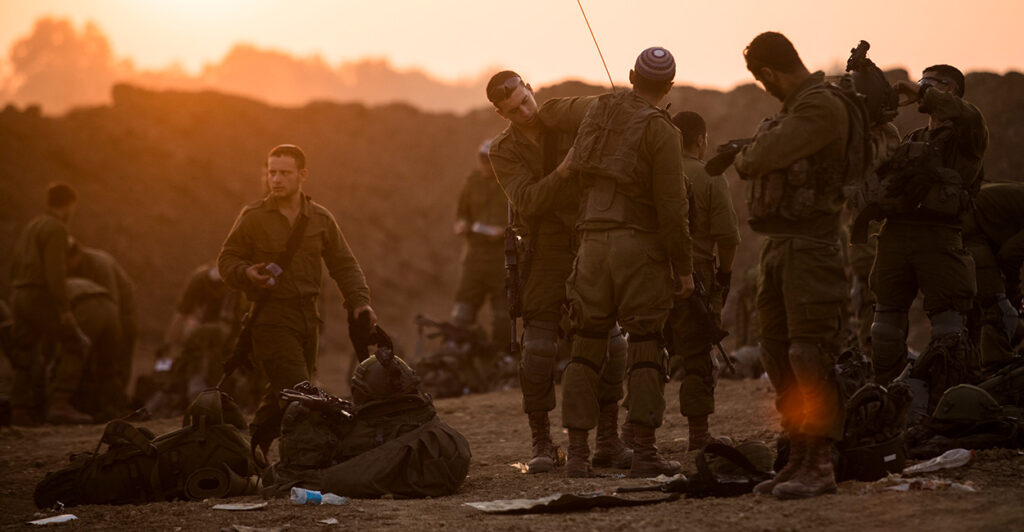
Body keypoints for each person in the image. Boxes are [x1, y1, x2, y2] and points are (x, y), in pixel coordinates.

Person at [545, 46, 694, 478]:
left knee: (585, 347)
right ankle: (644, 452)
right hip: (639, 250)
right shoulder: (662, 131)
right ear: (669, 87)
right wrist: (682, 269)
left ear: (630, 75)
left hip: (590, 247)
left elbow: (555, 115)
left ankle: (577, 455)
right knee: (646, 346)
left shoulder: (596, 113)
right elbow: (672, 207)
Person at [487, 70, 631, 474]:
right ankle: (542, 442)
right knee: (538, 350)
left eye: (526, 100)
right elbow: (528, 201)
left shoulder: (561, 117)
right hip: (544, 247)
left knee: (612, 344)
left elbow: (601, 110)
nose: (526, 111)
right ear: (501, 113)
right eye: (514, 110)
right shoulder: (504, 150)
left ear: (530, 88)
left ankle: (608, 439)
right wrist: (565, 170)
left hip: (588, 238)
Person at [732, 32, 853, 498]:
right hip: (783, 245)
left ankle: (819, 462)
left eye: (762, 80)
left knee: (809, 353)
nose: (764, 89)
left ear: (769, 72)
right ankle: (798, 456)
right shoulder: (798, 107)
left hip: (814, 248)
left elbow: (763, 156)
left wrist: (745, 154)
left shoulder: (820, 106)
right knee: (777, 352)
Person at [218, 144, 375, 452]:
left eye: (284, 173)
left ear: (302, 176)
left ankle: (250, 450)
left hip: (309, 318)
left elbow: (343, 264)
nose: (276, 179)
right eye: (271, 172)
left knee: (284, 393)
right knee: (301, 392)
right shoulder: (253, 217)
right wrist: (246, 272)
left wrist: (359, 301)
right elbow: (227, 260)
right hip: (271, 318)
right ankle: (308, 458)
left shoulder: (319, 219)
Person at [870, 66, 988, 392]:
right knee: (883, 329)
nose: (924, 86)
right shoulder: (913, 138)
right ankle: (888, 399)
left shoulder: (969, 130)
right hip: (896, 235)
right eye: (923, 80)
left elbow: (963, 114)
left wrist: (921, 92)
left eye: (934, 82)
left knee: (948, 330)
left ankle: (947, 403)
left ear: (953, 90)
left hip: (939, 238)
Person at [667, 110, 740, 450]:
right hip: (697, 275)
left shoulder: (655, 172)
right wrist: (723, 276)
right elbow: (727, 237)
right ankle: (698, 435)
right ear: (700, 139)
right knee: (698, 354)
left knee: (647, 352)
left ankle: (635, 439)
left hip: (651, 274)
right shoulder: (710, 177)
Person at [8, 183, 91, 425]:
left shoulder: (32, 226)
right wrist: (64, 309)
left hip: (18, 294)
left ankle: (19, 410)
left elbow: (15, 262)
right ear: (68, 205)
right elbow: (55, 272)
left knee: (24, 350)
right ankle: (60, 403)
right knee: (76, 343)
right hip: (39, 297)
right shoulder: (56, 228)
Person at [451, 140, 510, 354]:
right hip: (474, 257)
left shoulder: (510, 182)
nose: (485, 165)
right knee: (463, 310)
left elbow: (525, 220)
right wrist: (461, 224)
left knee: (503, 314)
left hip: (501, 259)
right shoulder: (472, 182)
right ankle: (461, 353)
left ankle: (501, 357)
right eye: (482, 160)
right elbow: (462, 211)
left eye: (489, 161)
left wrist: (503, 231)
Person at [67, 239, 137, 407]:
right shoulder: (73, 267)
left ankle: (117, 402)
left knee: (117, 359)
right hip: (100, 312)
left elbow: (112, 302)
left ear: (76, 254)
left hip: (123, 315)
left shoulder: (100, 263)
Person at [963, 183, 1024, 367]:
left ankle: (973, 370)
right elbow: (1008, 256)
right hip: (968, 232)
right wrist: (1014, 290)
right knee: (998, 312)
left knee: (977, 318)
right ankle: (994, 375)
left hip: (965, 229)